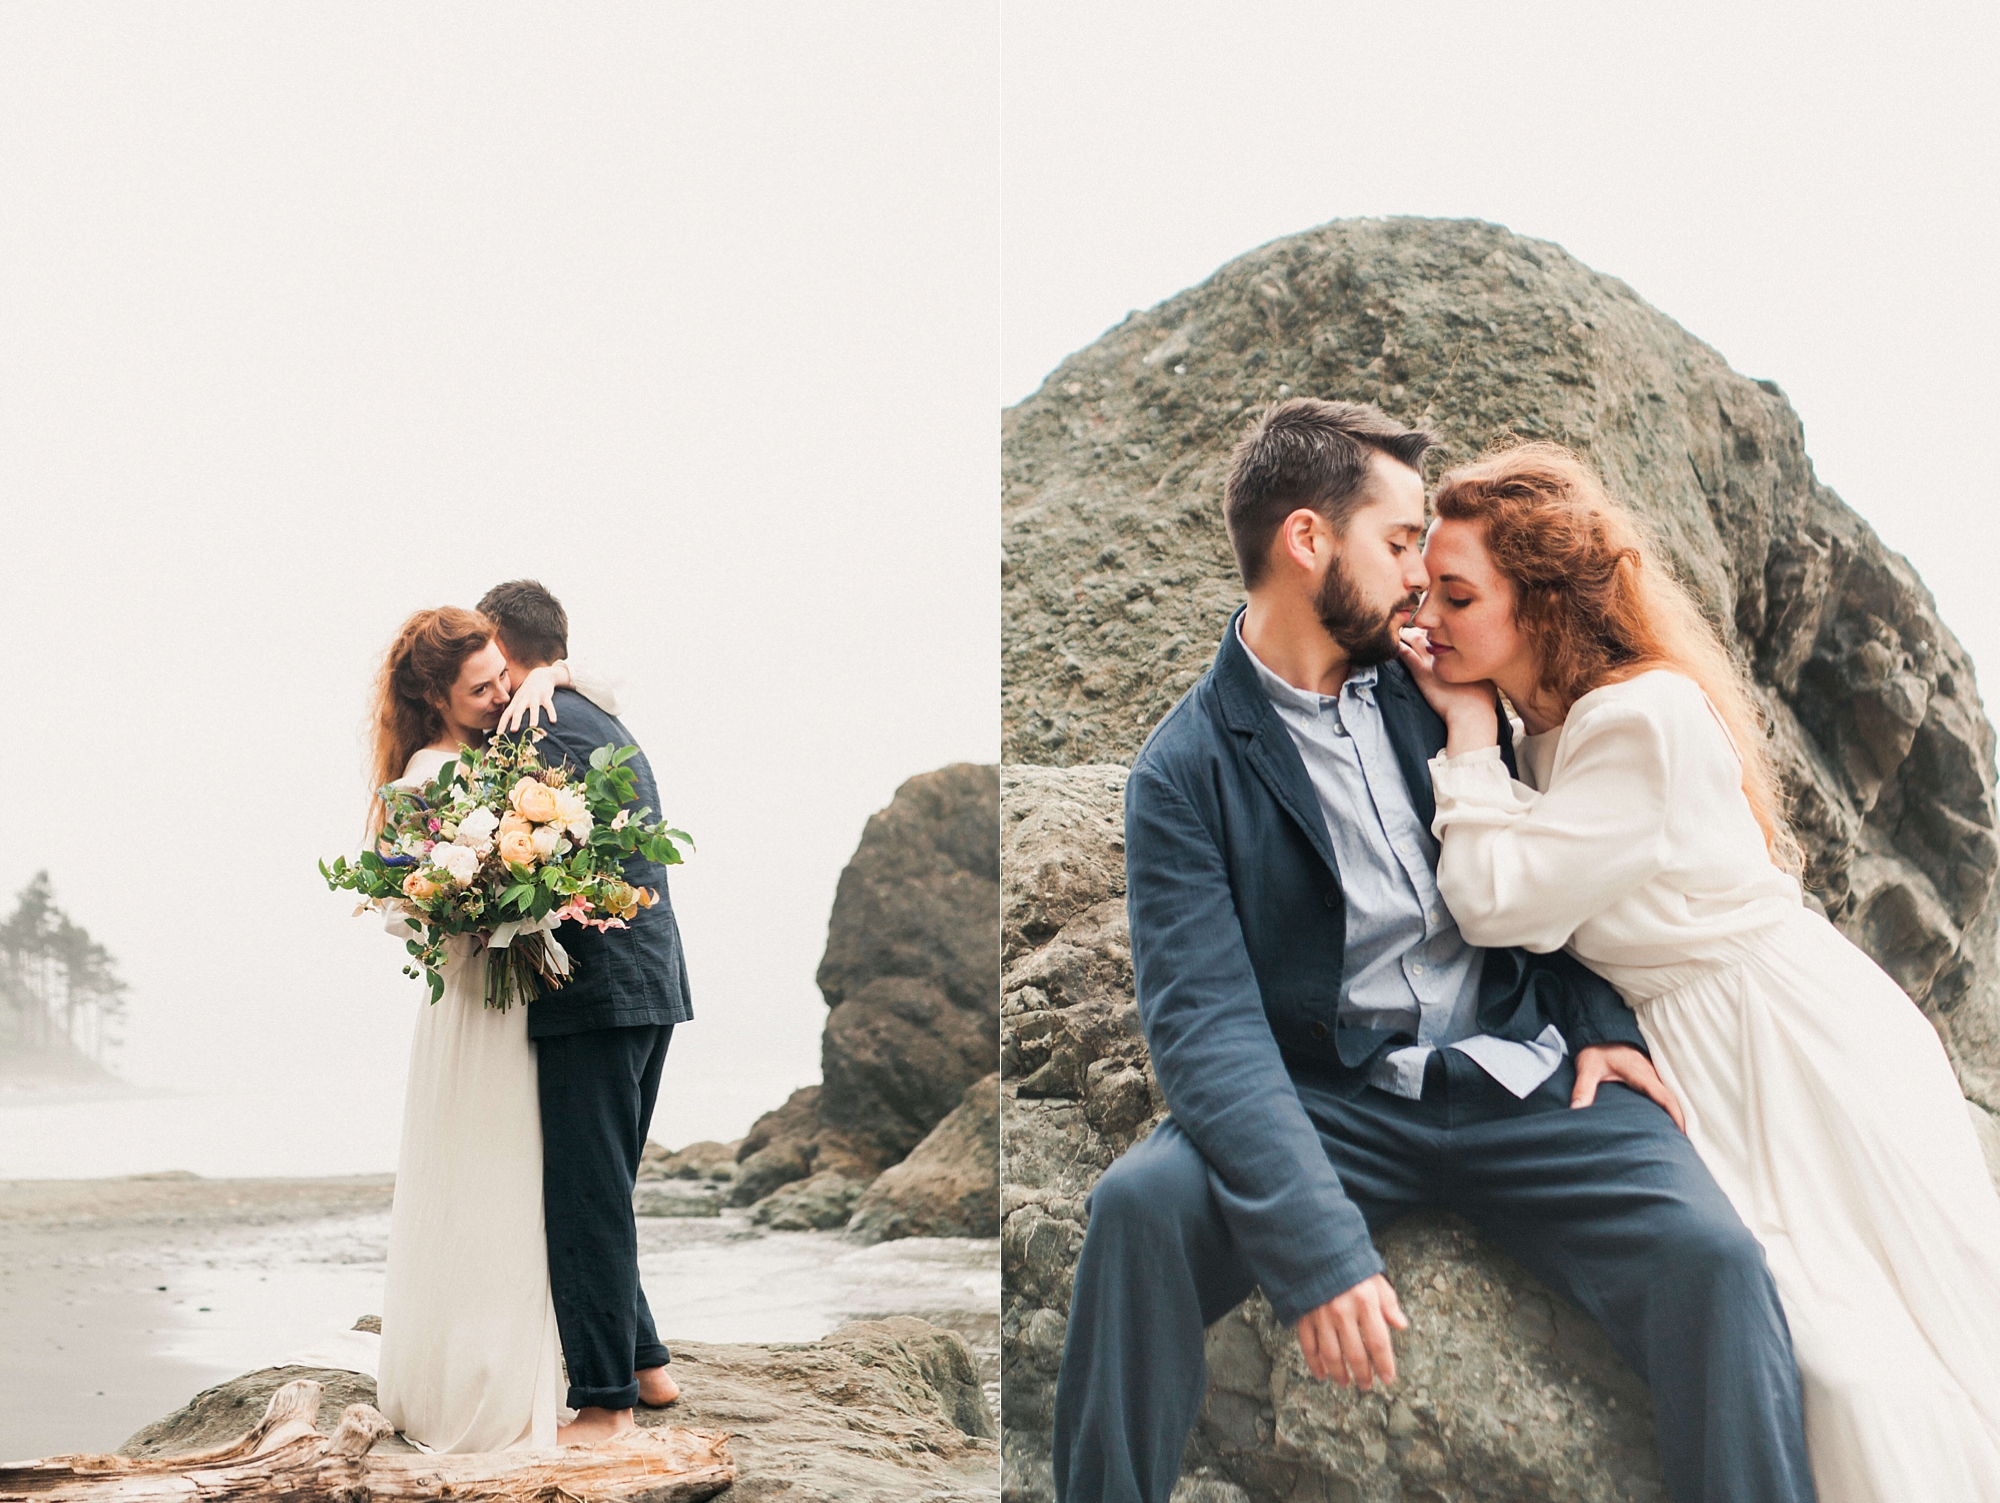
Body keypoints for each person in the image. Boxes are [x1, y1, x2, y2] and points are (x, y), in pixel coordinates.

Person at [1050, 398, 1816, 1503]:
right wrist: (1317, 1250)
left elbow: (1569, 866)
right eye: (1400, 542)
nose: (1418, 578)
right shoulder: (1182, 772)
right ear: (1308, 541)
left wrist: (1602, 1027)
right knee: (1135, 1212)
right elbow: (1204, 1025)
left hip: (1522, 1074)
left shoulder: (1441, 679)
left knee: (1717, 1264)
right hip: (1335, 1098)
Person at [1402, 443, 2000, 1501]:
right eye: (1426, 593)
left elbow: (1500, 904)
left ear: (1538, 604)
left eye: (1457, 595)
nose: (1430, 620)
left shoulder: (1640, 718)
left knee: (1862, 1357)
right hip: (1698, 1043)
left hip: (1786, 1047)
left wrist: (1458, 739)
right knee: (1810, 1334)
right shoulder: (1539, 723)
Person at [476, 578, 691, 1445]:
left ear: (503, 645)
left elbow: (519, 860)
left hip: (593, 988)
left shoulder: (537, 722)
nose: (486, 679)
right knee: (605, 1182)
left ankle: (604, 1400)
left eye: (488, 658)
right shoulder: (600, 715)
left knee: (582, 1190)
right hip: (649, 983)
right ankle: (646, 1361)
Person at [369, 606, 563, 1452]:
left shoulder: (498, 759)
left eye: (504, 678)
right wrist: (471, 913)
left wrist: (552, 672)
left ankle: (509, 1362)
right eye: (479, 688)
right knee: (478, 1182)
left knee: (516, 1182)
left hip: (513, 1000)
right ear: (435, 696)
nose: (499, 696)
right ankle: (471, 1385)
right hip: (471, 1002)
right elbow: (395, 908)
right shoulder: (424, 775)